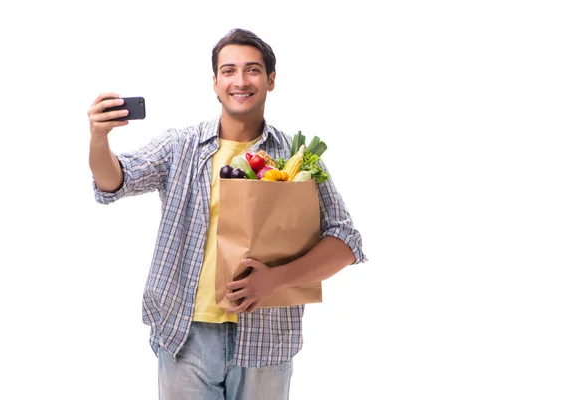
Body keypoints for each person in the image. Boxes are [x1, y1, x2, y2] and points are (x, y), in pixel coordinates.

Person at [87, 28, 366, 400]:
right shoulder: (181, 146)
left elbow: (346, 241)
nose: (240, 80)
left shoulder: (297, 157)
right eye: (229, 71)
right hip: (186, 333)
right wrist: (98, 138)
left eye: (252, 70)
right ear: (215, 83)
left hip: (267, 338)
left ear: (270, 80)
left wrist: (274, 280)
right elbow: (114, 182)